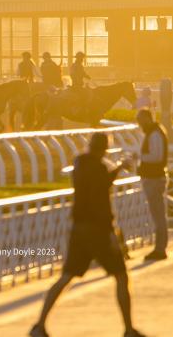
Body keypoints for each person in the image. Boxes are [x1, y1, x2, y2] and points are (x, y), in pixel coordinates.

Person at [30, 133, 144, 337]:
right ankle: (128, 329)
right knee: (120, 275)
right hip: (98, 230)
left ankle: (39, 325)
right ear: (105, 149)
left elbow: (99, 184)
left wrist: (117, 168)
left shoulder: (80, 164)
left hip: (78, 228)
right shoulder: (99, 167)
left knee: (66, 276)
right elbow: (100, 196)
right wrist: (110, 232)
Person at [136, 109, 168, 260]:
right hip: (154, 178)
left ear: (148, 119)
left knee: (158, 215)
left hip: (154, 179)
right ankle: (160, 247)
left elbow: (156, 157)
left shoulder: (155, 134)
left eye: (141, 121)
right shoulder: (154, 132)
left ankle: (160, 249)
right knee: (158, 214)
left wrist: (139, 156)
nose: (140, 125)